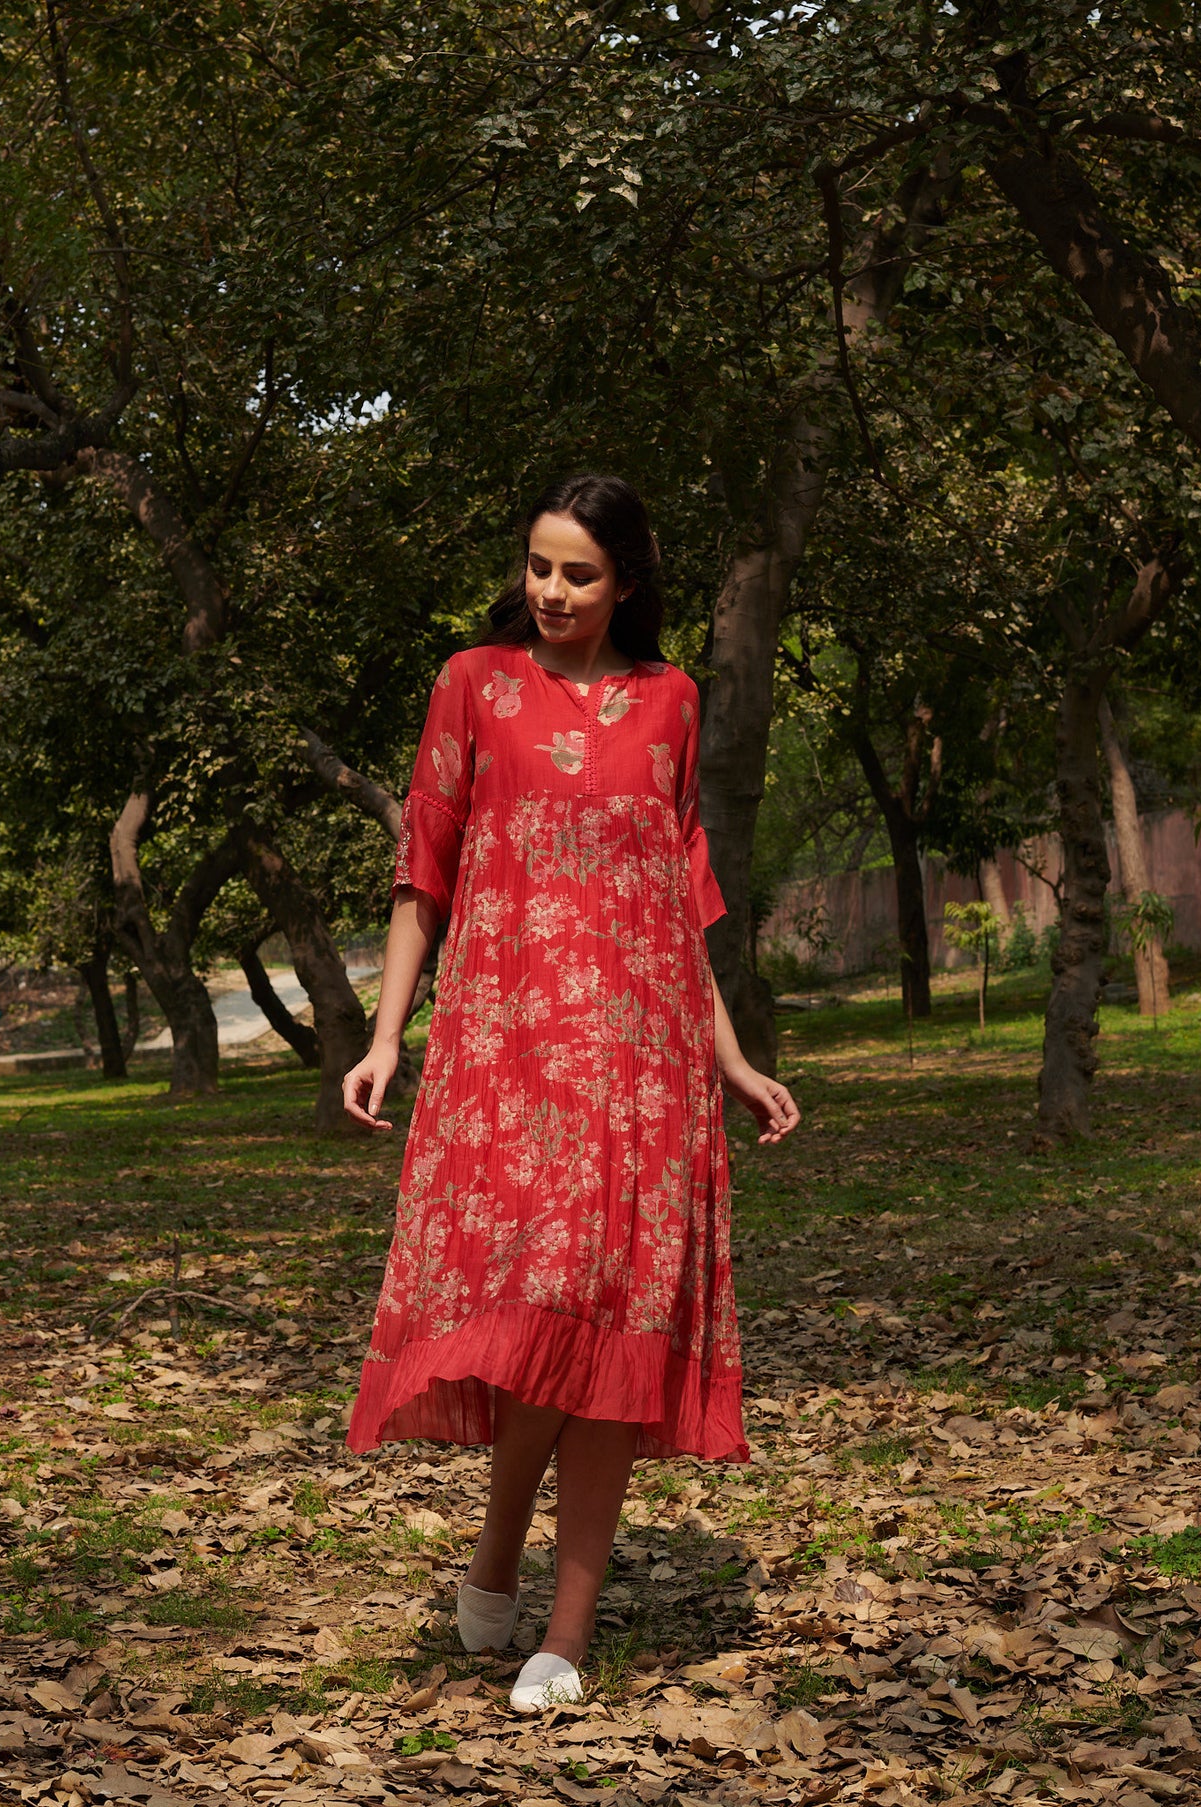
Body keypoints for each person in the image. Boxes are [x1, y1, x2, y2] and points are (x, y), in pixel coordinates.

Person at [342, 474, 799, 1712]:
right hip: (503, 1061)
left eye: (578, 573)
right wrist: (386, 1036)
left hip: (644, 1075)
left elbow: (680, 895)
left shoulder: (671, 702)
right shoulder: (472, 684)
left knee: (614, 1340)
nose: (550, 592)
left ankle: (567, 1628)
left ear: (627, 585)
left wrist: (732, 1058)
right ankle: (498, 1545)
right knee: (540, 1312)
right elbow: (421, 866)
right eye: (538, 566)